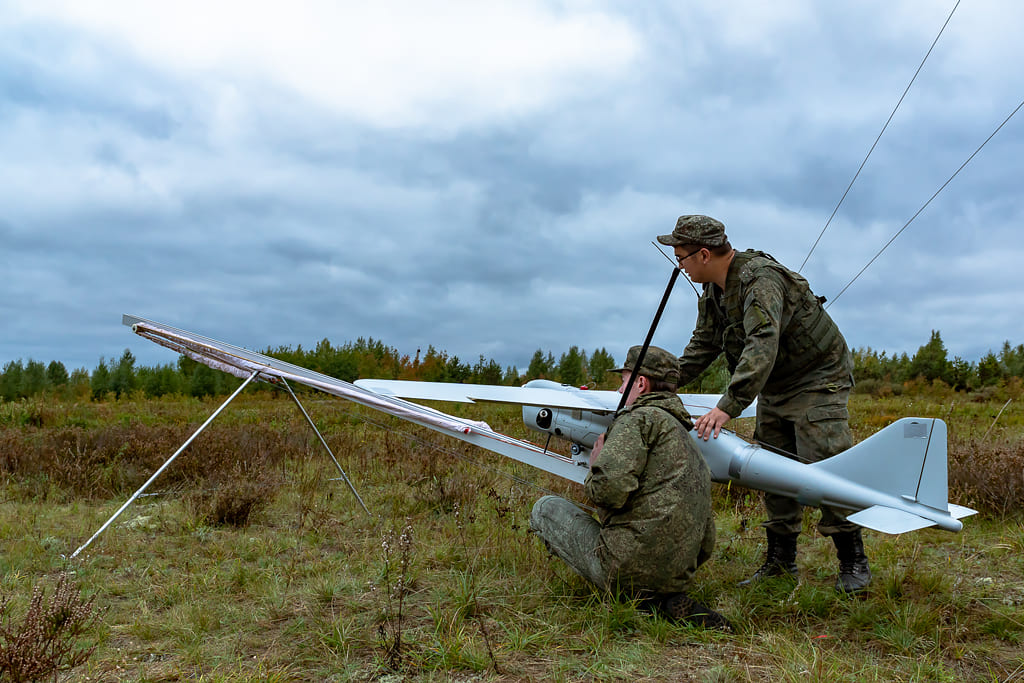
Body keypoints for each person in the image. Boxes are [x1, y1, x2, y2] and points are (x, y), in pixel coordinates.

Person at [657, 214, 871, 594]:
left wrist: (728, 406)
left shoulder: (761, 281)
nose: (681, 265)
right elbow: (701, 348)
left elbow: (762, 343)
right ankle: (779, 564)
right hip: (775, 381)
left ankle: (852, 561)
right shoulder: (714, 294)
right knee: (776, 464)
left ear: (704, 254)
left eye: (682, 257)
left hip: (817, 377)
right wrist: (656, 383)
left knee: (825, 462)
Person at [529, 345, 729, 629]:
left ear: (640, 383)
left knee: (544, 508)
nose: (619, 389)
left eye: (623, 381)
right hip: (680, 573)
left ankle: (632, 592)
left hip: (627, 565)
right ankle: (661, 599)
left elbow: (608, 492)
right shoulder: (688, 438)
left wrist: (595, 465)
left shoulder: (636, 419)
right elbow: (706, 538)